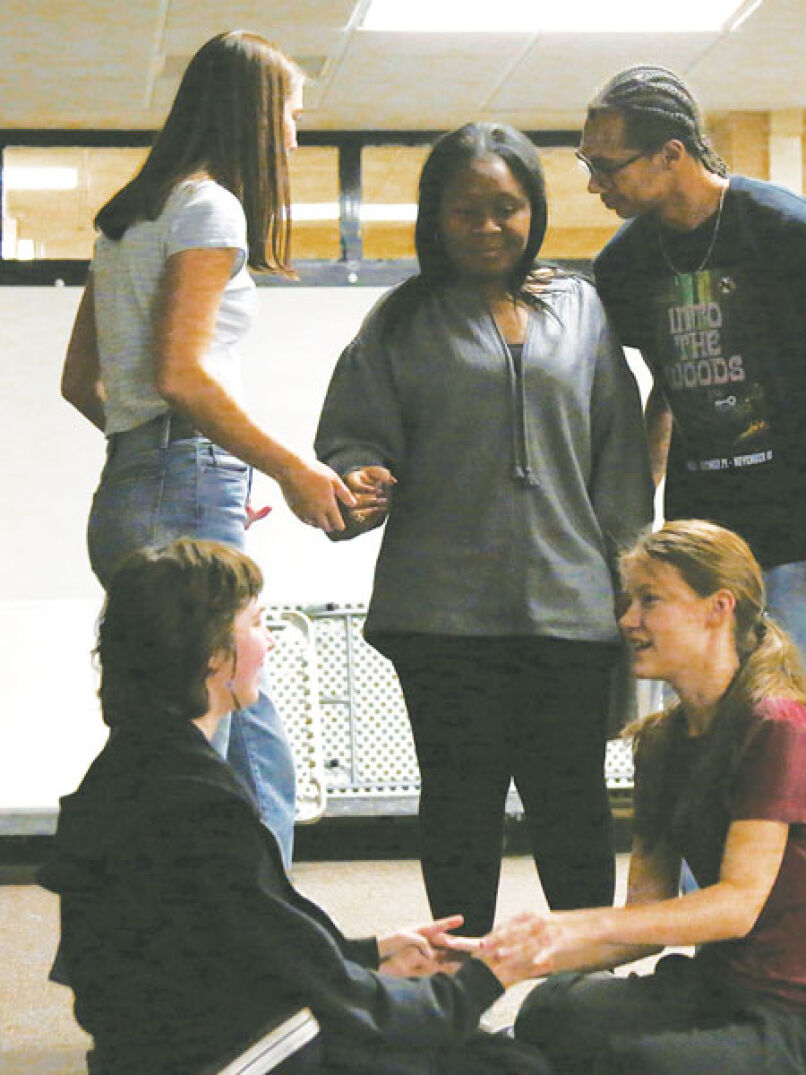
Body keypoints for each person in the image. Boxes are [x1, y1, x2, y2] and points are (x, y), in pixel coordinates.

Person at [315, 122, 653, 936]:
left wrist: (636, 585)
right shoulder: (397, 323)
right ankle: (460, 989)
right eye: (467, 210)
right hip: (442, 618)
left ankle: (582, 985)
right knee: (461, 804)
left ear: (534, 210)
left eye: (507, 207)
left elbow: (620, 455)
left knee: (571, 802)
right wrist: (358, 477)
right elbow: (350, 441)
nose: (489, 226)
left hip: (572, 611)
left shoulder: (581, 308)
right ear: (435, 217)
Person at [37, 538, 550, 1075]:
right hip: (219, 1058)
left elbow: (248, 949)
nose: (270, 644)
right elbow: (333, 995)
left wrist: (372, 952)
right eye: (257, 624)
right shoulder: (196, 807)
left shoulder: (135, 771)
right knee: (502, 1065)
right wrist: (485, 977)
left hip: (164, 1048)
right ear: (212, 654)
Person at [59, 30, 354, 865]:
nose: (293, 135)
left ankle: (253, 934)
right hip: (178, 483)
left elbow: (85, 385)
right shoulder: (210, 207)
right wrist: (285, 466)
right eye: (290, 115)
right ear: (254, 115)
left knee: (226, 733)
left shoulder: (127, 218)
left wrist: (186, 462)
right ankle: (245, 948)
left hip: (130, 494)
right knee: (218, 747)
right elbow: (183, 376)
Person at [578, 65, 806, 826]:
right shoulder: (623, 264)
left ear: (671, 154)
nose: (595, 185)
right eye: (588, 167)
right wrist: (638, 522)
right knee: (711, 746)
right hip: (705, 550)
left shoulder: (784, 227)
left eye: (606, 166)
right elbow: (665, 391)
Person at [482, 519, 806, 1074]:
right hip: (719, 992)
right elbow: (645, 916)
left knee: (640, 1065)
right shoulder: (661, 741)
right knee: (552, 1008)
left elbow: (737, 905)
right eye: (629, 602)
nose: (628, 619)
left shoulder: (777, 726)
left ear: (717, 608)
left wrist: (573, 927)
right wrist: (491, 964)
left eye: (650, 601)